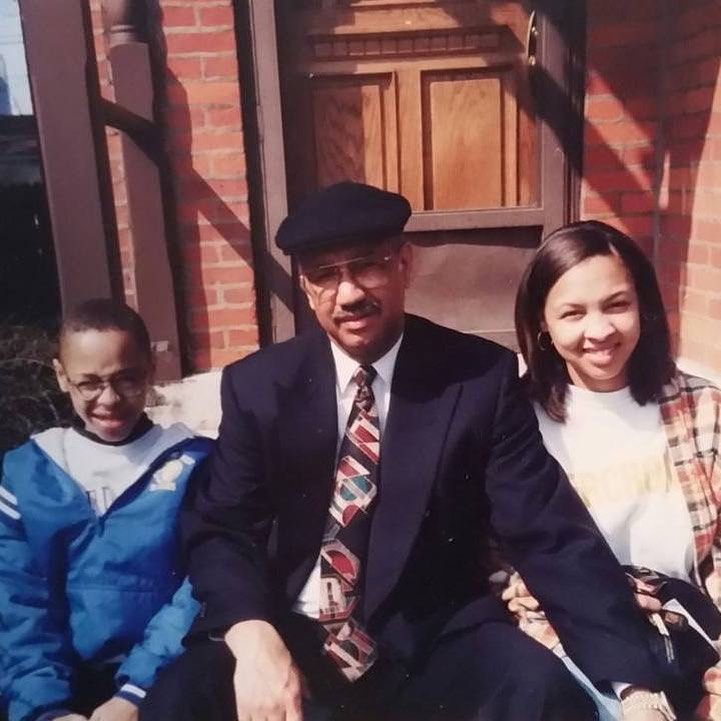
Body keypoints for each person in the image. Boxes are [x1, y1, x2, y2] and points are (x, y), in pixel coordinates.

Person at [144, 182, 667, 721]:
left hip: (430, 641)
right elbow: (222, 526)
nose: (349, 293)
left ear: (404, 264)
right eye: (326, 275)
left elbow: (546, 530)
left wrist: (634, 685)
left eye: (366, 266)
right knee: (179, 701)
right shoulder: (260, 386)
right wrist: (252, 635)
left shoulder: (477, 378)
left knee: (539, 691)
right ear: (306, 287)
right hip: (290, 634)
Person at [509, 219, 721, 720]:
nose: (600, 331)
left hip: (692, 629)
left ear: (643, 306)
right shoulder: (515, 421)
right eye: (573, 313)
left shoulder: (702, 408)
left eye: (617, 305)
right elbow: (505, 570)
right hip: (571, 636)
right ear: (542, 322)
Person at [0, 299, 213, 721]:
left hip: (161, 684)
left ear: (150, 369)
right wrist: (45, 708)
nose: (109, 399)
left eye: (126, 379)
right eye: (89, 384)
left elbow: (199, 587)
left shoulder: (195, 463)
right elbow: (17, 601)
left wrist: (135, 695)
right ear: (62, 376)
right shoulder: (29, 472)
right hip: (57, 686)